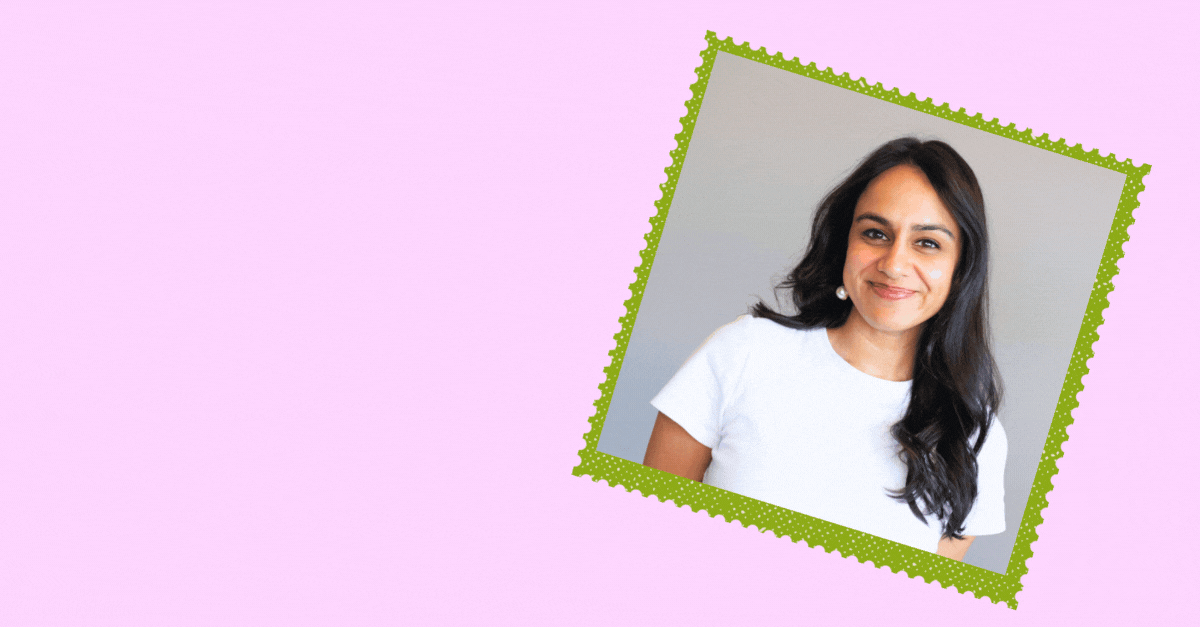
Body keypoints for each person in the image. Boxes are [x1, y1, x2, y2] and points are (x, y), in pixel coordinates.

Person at [643, 138, 1007, 561]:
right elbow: (648, 534)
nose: (893, 264)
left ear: (961, 268)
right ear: (843, 244)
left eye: (927, 243)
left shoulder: (973, 434)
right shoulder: (744, 353)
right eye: (875, 233)